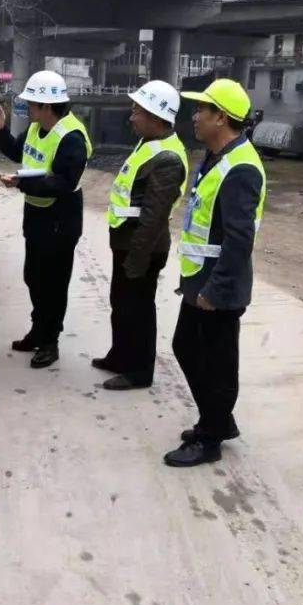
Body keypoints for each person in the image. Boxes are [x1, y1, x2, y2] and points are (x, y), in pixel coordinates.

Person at [164, 79, 266, 468]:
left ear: (220, 117)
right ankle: (217, 419)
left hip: (217, 286)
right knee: (188, 348)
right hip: (202, 280)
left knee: (216, 361)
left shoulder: (240, 168)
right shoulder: (218, 157)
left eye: (201, 111)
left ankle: (210, 438)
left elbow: (240, 239)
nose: (194, 117)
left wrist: (216, 290)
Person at [0, 70, 93, 369]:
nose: (27, 108)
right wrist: (0, 131)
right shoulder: (37, 129)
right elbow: (18, 150)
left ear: (47, 106)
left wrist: (21, 183)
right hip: (36, 214)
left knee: (53, 283)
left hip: (60, 220)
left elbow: (64, 182)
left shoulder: (71, 137)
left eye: (32, 103)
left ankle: (50, 342)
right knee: (33, 276)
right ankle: (38, 331)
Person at [92, 80, 188, 391]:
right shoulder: (149, 142)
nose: (131, 117)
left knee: (138, 309)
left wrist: (137, 258)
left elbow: (154, 217)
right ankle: (120, 356)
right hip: (127, 243)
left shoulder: (169, 159)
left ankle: (139, 371)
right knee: (121, 303)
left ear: (157, 117)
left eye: (138, 111)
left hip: (143, 247)